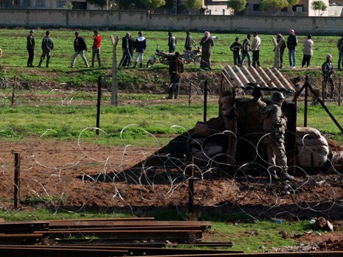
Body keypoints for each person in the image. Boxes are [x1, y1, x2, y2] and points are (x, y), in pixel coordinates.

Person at [262, 91, 295, 181]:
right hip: (276, 134)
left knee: (271, 155)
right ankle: (284, 173)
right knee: (281, 154)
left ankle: (272, 173)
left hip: (267, 134)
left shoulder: (268, 108)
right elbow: (276, 120)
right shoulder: (277, 108)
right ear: (280, 100)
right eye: (282, 99)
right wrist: (284, 120)